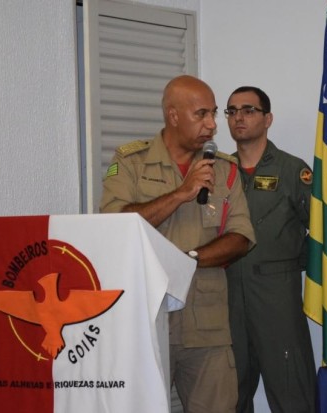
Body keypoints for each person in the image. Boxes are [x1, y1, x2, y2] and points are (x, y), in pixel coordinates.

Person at [100, 75, 256, 413]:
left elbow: (241, 238)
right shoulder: (131, 162)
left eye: (213, 113)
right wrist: (181, 193)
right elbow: (114, 225)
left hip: (207, 326)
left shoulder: (225, 169)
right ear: (173, 115)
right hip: (144, 322)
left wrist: (188, 259)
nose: (212, 124)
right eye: (201, 114)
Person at [224, 86, 316, 413]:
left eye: (248, 110)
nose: (239, 117)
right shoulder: (220, 171)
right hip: (227, 296)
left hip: (277, 297)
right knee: (229, 395)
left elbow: (322, 233)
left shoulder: (292, 170)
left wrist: (288, 263)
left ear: (268, 119)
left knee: (292, 391)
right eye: (232, 111)